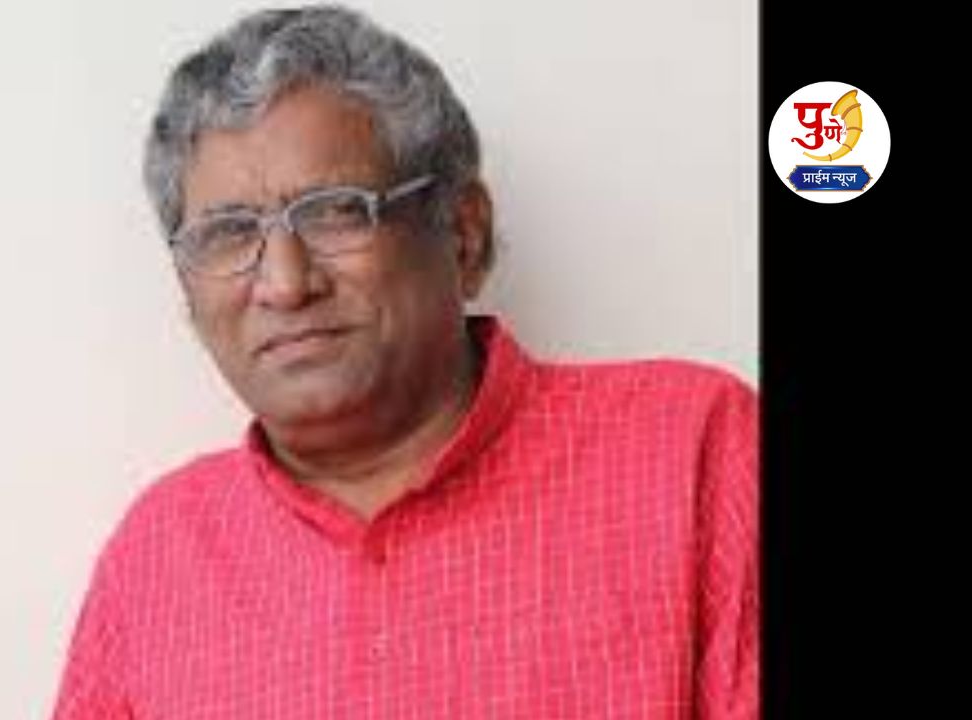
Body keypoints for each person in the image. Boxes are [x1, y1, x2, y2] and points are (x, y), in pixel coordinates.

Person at [51, 5, 757, 719]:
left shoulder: (689, 449)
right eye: (228, 233)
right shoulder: (158, 560)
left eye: (335, 212)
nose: (286, 284)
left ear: (464, 235)